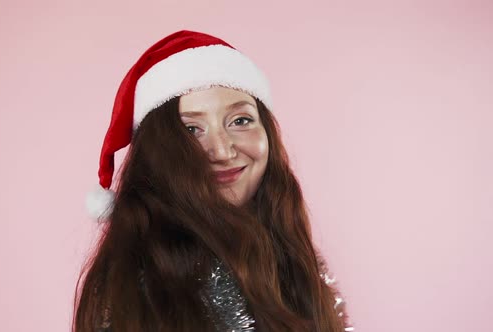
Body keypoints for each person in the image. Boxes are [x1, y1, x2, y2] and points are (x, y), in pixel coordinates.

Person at [74, 30, 354, 332]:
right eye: (191, 130)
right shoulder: (135, 284)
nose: (222, 151)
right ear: (157, 152)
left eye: (240, 121)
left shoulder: (295, 259)